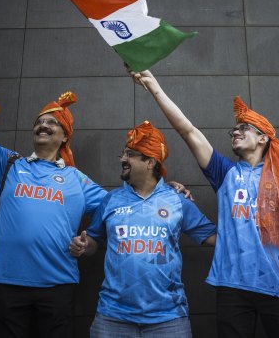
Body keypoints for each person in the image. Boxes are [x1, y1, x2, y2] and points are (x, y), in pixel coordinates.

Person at [0, 43, 192, 338]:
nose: (44, 125)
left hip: (57, 286)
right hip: (5, 283)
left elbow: (127, 202)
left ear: (65, 135)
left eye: (52, 123)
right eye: (40, 122)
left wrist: (167, 189)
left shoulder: (78, 180)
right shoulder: (8, 163)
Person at [127, 69, 279, 338]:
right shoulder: (225, 173)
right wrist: (153, 86)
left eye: (244, 128)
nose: (235, 132)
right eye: (234, 129)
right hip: (232, 288)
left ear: (263, 137)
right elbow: (187, 130)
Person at [70, 120, 217, 337]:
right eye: (123, 154)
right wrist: (83, 245)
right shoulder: (110, 200)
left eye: (129, 154)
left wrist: (251, 233)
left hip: (169, 318)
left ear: (150, 162)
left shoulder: (178, 200)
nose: (122, 159)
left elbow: (213, 238)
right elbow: (93, 241)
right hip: (112, 317)